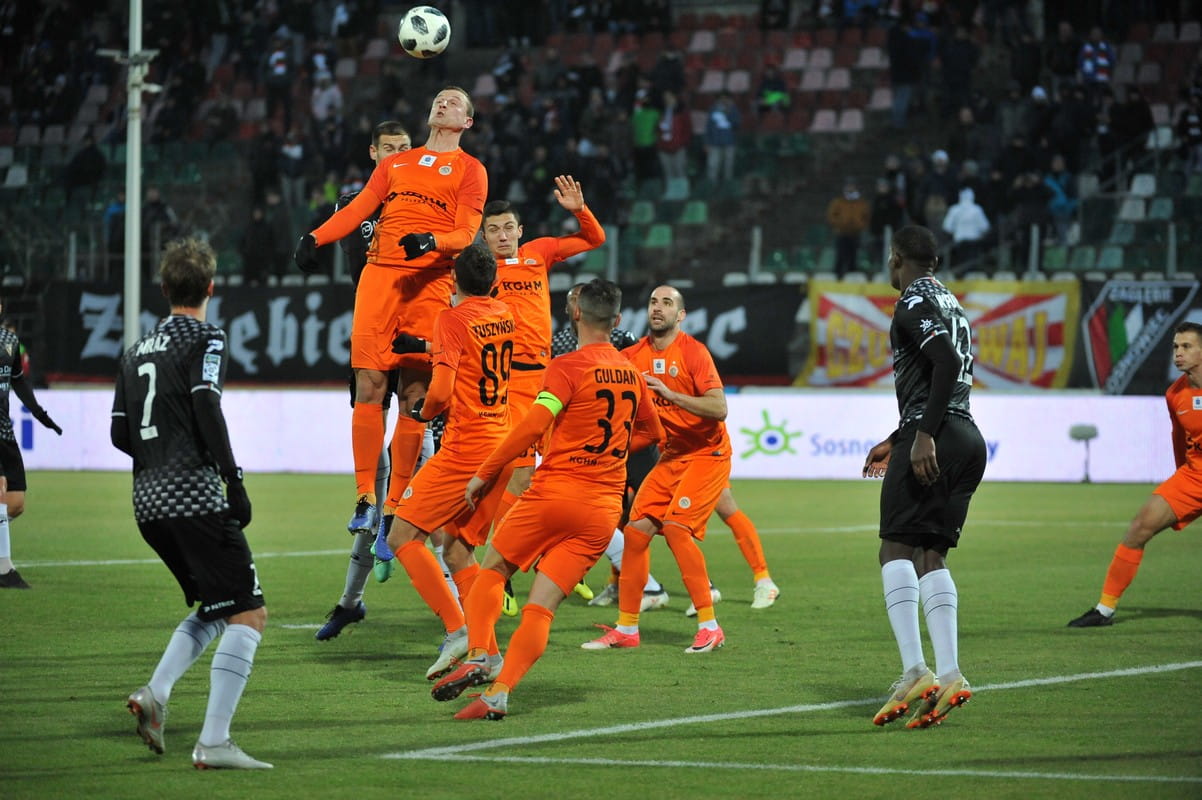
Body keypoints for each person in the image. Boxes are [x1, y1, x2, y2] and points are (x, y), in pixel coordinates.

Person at [431, 279, 664, 719]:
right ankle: (498, 694)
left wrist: (485, 472)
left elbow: (533, 425)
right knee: (541, 609)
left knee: (491, 570)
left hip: (554, 494)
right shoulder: (632, 372)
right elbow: (653, 432)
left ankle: (481, 655)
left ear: (575, 313)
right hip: (602, 510)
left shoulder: (566, 367)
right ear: (617, 320)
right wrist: (611, 452)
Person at [294, 87, 487, 554]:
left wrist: (433, 242)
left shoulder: (470, 170)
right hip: (379, 276)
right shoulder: (397, 163)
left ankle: (396, 505)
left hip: (429, 283)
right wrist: (315, 238)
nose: (443, 103)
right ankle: (366, 498)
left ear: (467, 122)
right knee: (369, 384)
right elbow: (360, 208)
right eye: (439, 98)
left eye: (454, 102)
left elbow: (466, 233)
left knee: (415, 396)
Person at [111, 238, 271, 769]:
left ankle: (155, 694)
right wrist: (232, 478)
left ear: (163, 289)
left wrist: (158, 459)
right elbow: (206, 402)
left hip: (147, 506)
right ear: (210, 287)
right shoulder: (207, 337)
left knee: (216, 605)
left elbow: (119, 434)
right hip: (194, 500)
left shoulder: (134, 350)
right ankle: (214, 742)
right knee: (249, 611)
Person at [862, 224, 986, 730]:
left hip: (935, 434)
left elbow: (946, 362)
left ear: (896, 258)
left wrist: (922, 435)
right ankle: (951, 673)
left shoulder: (911, 301)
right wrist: (900, 436)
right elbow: (950, 371)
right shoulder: (950, 302)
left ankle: (915, 670)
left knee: (894, 549)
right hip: (967, 437)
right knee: (929, 554)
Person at [372, 244, 515, 681]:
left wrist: (423, 412)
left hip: (466, 449)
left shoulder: (451, 319)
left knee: (401, 536)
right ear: (493, 281)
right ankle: (487, 653)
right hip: (502, 446)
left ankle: (456, 628)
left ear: (453, 279)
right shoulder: (505, 313)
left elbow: (440, 391)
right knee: (457, 550)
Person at [475, 178, 606, 601]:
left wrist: (579, 210)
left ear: (520, 230)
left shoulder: (539, 253)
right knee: (520, 474)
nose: (502, 236)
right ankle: (501, 570)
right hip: (509, 381)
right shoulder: (479, 271)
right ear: (483, 236)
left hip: (548, 378)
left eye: (507, 228)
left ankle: (553, 557)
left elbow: (594, 239)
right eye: (493, 230)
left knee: (558, 473)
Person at [582, 285, 730, 654]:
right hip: (672, 455)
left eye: (667, 302)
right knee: (635, 533)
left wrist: (670, 394)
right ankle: (627, 629)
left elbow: (719, 408)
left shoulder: (694, 353)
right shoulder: (631, 357)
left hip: (707, 454)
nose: (657, 308)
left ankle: (710, 627)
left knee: (677, 529)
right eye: (652, 302)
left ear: (681, 315)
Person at [313, 121, 414, 642]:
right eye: (389, 149)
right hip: (375, 330)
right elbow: (347, 227)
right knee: (377, 480)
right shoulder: (354, 204)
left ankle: (467, 608)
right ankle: (351, 599)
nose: (398, 155)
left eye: (405, 149)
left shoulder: (428, 200)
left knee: (424, 476)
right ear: (373, 153)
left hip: (418, 332)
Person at [1068, 322, 1202, 628]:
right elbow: (1179, 438)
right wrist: (1181, 476)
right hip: (1194, 475)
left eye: (1186, 346)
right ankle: (1104, 610)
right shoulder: (1175, 394)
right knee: (1140, 526)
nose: (1178, 353)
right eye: (1175, 347)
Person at [552, 282, 669, 612]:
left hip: (630, 447)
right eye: (573, 298)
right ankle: (629, 586)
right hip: (594, 452)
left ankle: (694, 586)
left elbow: (640, 390)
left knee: (659, 519)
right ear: (570, 308)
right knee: (610, 519)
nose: (577, 304)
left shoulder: (621, 341)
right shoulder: (557, 344)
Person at [0, 306, 62, 590]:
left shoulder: (10, 341)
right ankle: (4, 570)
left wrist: (40, 414)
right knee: (1, 494)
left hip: (4, 432)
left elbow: (18, 382)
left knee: (15, 503)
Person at [826, 177, 870, 277]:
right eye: (848, 186)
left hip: (855, 234)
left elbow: (867, 217)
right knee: (840, 257)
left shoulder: (861, 203)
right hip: (841, 233)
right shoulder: (838, 201)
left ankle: (852, 278)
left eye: (852, 186)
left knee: (853, 257)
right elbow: (831, 215)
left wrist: (859, 225)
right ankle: (837, 277)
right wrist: (841, 223)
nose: (850, 188)